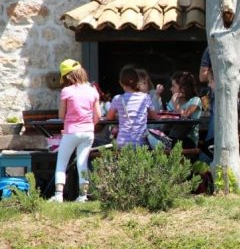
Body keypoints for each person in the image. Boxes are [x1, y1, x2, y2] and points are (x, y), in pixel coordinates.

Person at [49, 59, 101, 203]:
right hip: (88, 132)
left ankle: (58, 195)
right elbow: (98, 115)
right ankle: (83, 196)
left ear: (67, 76)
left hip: (71, 131)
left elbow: (61, 115)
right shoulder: (93, 90)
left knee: (62, 162)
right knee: (82, 163)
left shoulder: (67, 91)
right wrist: (89, 124)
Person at [199, 8, 240, 143]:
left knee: (237, 135)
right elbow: (202, 76)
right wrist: (213, 77)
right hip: (220, 95)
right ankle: (208, 154)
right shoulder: (213, 48)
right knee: (216, 130)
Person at [106, 66, 159, 148]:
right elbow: (154, 116)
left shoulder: (117, 99)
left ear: (121, 83)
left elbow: (109, 117)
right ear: (138, 82)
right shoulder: (145, 97)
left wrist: (119, 116)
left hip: (122, 143)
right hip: (140, 143)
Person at [167, 71, 202, 149]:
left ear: (183, 89)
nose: (170, 89)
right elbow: (166, 120)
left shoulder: (195, 100)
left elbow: (185, 115)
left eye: (173, 86)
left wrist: (175, 103)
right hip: (172, 137)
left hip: (188, 140)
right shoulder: (172, 101)